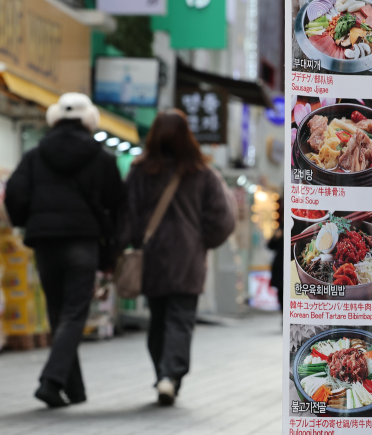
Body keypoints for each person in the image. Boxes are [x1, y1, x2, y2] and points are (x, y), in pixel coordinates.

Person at [4, 93, 126, 408]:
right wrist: (113, 248)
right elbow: (118, 206)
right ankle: (51, 381)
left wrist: (26, 223)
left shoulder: (34, 155)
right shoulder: (102, 159)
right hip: (83, 241)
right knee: (74, 312)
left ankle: (74, 390)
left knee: (60, 313)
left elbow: (14, 194)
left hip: (44, 241)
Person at [119, 109, 236, 406]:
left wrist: (128, 245)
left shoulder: (140, 172)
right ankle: (171, 376)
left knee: (158, 319)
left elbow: (126, 216)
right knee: (181, 320)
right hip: (188, 259)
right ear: (188, 137)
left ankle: (163, 373)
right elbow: (223, 219)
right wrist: (201, 242)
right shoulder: (202, 173)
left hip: (153, 258)